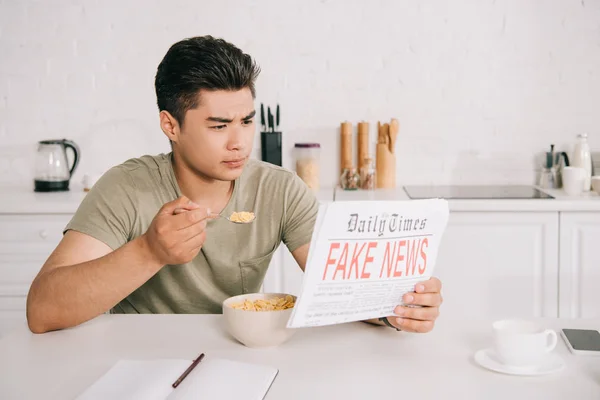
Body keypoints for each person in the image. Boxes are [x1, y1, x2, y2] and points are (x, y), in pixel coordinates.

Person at [26, 35, 443, 334]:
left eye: (246, 120)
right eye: (219, 125)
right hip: (137, 358)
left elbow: (341, 289)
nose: (239, 142)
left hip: (239, 355)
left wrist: (394, 310)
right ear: (170, 125)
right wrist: (149, 251)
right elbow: (43, 310)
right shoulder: (126, 186)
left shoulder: (279, 190)